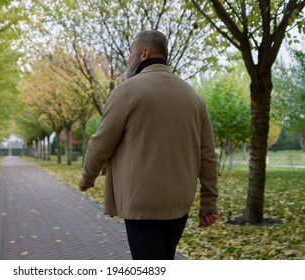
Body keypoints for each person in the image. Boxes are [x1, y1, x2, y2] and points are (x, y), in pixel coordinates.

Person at [79, 30, 219, 260]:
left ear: (145, 53)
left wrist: (87, 177)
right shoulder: (193, 97)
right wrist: (208, 203)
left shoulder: (126, 91)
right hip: (179, 203)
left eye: (130, 52)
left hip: (141, 204)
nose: (127, 58)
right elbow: (208, 156)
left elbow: (101, 142)